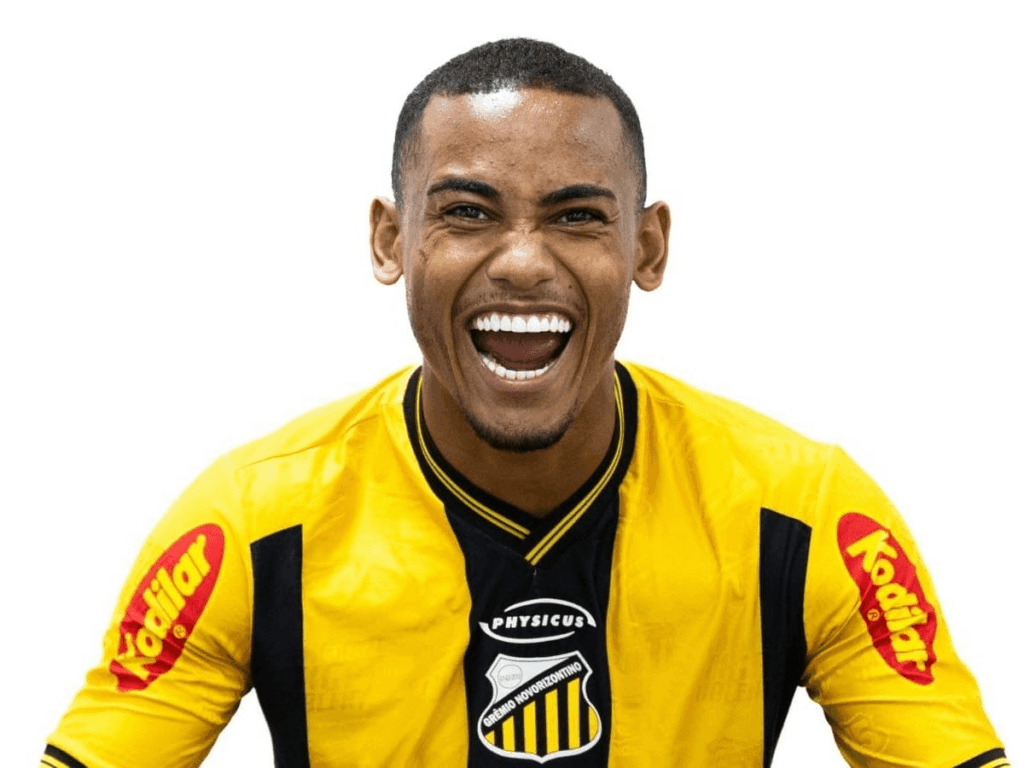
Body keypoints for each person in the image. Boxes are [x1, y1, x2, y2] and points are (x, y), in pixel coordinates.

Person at [42, 38, 1009, 768]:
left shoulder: (802, 512)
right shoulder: (253, 523)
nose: (521, 262)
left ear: (646, 248)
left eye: (577, 216)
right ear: (390, 240)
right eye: (466, 213)